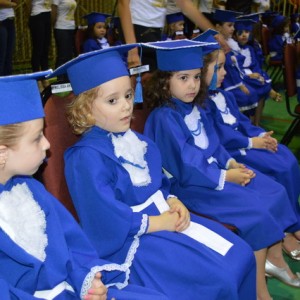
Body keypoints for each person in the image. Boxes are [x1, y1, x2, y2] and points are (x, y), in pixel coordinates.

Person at [49, 43, 257, 300]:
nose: (126, 106)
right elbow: (104, 218)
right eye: (112, 100)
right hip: (131, 241)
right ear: (84, 110)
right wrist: (158, 222)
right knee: (217, 277)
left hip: (163, 218)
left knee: (240, 253)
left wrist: (172, 199)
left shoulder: (136, 141)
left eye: (127, 95)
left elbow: (159, 183)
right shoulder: (85, 157)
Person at [142, 38, 300, 299]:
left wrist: (230, 162)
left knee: (271, 189)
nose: (192, 84)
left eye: (195, 77)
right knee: (256, 212)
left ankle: (270, 260)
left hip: (214, 174)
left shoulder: (195, 107)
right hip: (192, 187)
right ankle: (260, 290)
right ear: (164, 82)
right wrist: (225, 175)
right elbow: (186, 163)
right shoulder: (165, 117)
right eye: (183, 78)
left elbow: (213, 143)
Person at [0, 70, 169, 300]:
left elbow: (72, 244)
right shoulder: (82, 158)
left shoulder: (31, 189)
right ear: (2, 153)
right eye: (37, 137)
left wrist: (87, 282)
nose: (48, 144)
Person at [199, 34, 300, 263]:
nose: (225, 73)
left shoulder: (224, 95)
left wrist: (261, 134)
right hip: (232, 151)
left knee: (286, 157)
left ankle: (293, 220)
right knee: (277, 168)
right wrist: (252, 143)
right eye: (220, 68)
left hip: (243, 142)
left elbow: (242, 123)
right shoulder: (202, 105)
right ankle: (283, 233)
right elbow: (221, 136)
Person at [117, 0, 228, 70]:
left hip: (155, 32)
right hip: (135, 30)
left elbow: (186, 5)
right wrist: (132, 49)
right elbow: (123, 4)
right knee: (141, 83)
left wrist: (215, 33)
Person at [229, 18, 281, 125]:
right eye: (240, 33)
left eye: (247, 32)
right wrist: (251, 75)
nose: (244, 35)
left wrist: (259, 75)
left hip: (252, 74)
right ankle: (269, 90)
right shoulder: (232, 49)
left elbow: (255, 66)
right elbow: (236, 69)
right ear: (234, 36)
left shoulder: (250, 49)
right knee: (260, 87)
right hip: (241, 76)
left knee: (262, 78)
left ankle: (256, 123)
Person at [212, 9, 260, 118]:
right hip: (223, 83)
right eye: (229, 25)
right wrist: (240, 84)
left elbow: (235, 63)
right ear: (218, 27)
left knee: (254, 90)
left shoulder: (229, 43)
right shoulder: (215, 44)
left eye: (233, 26)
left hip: (232, 78)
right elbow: (228, 66)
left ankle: (249, 125)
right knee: (245, 95)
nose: (233, 29)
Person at [25, 0, 51, 89]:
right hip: (36, 15)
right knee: (38, 47)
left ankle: (45, 76)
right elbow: (28, 3)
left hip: (47, 14)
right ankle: (37, 77)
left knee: (45, 47)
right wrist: (29, 17)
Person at [51, 0, 77, 69]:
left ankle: (67, 75)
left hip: (71, 27)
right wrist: (55, 26)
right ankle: (60, 77)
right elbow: (53, 12)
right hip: (61, 28)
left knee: (69, 54)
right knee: (63, 54)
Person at [0, 0, 16, 76]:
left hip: (10, 20)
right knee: (2, 53)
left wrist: (11, 4)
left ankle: (8, 77)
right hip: (1, 21)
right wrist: (11, 4)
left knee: (9, 54)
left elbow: (16, 2)